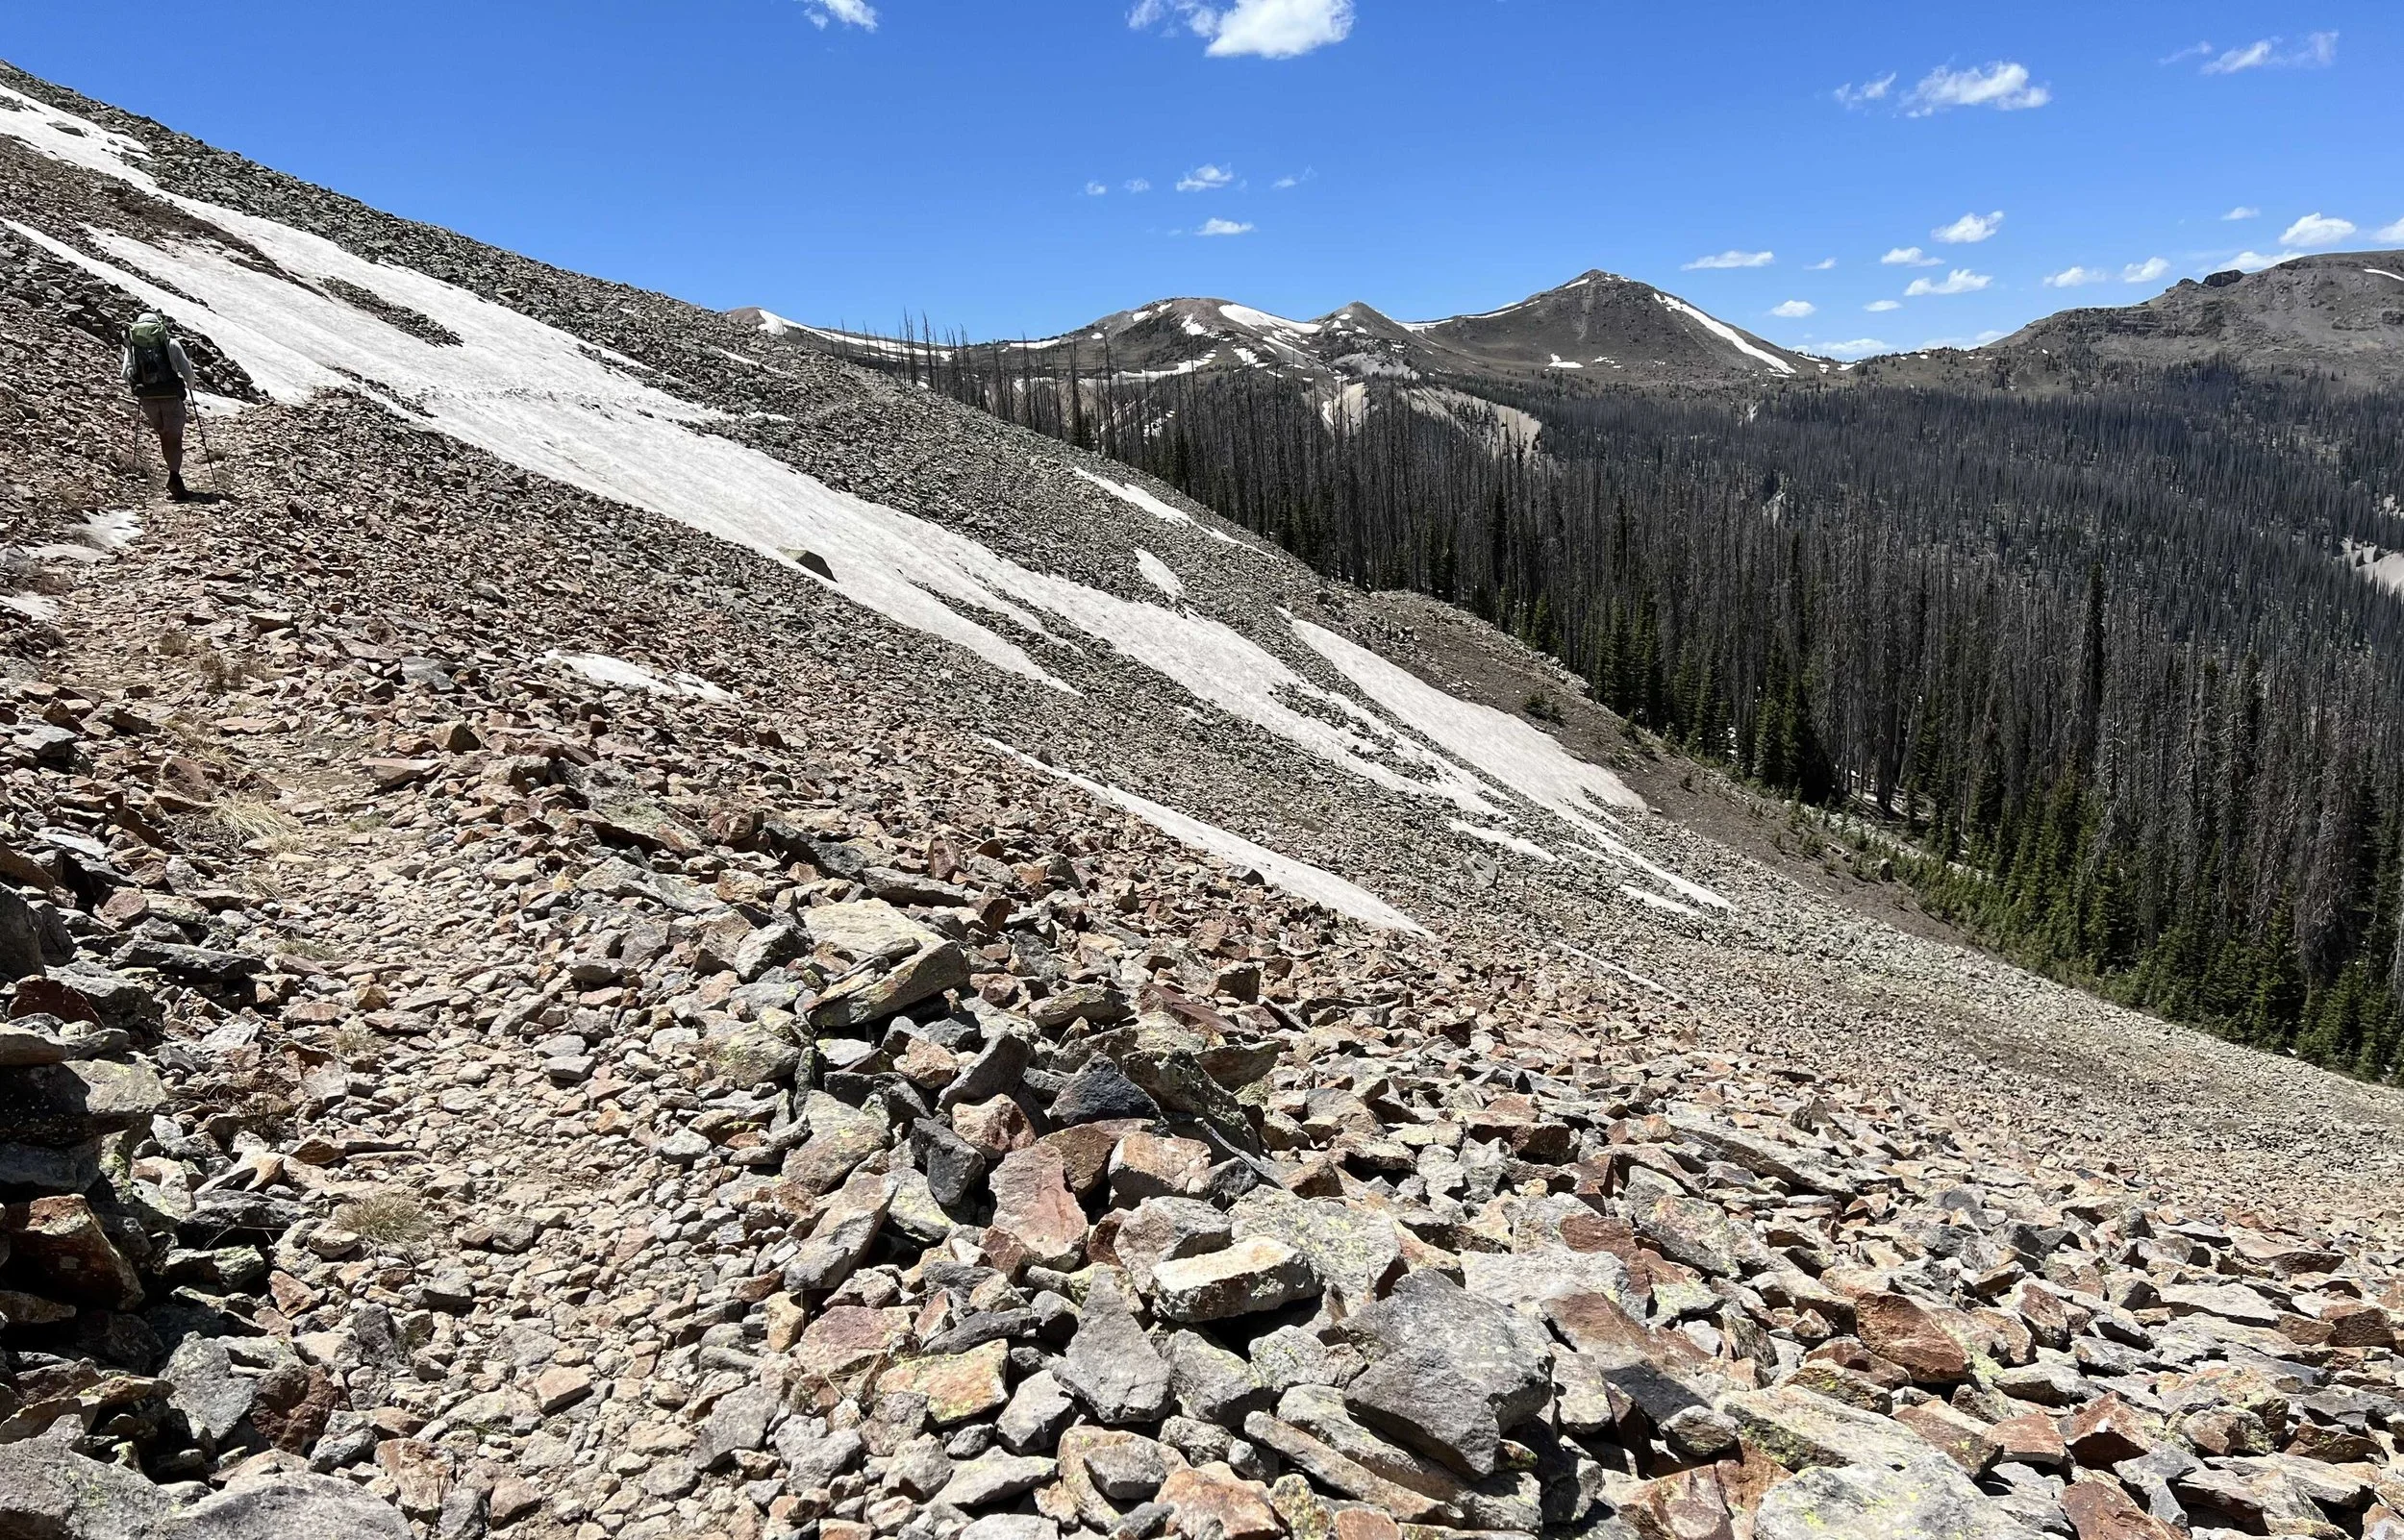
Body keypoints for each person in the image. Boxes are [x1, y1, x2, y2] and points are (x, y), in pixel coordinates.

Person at [120, 312, 196, 499]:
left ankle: (173, 474)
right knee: (174, 436)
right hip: (170, 395)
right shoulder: (171, 343)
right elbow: (188, 372)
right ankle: (175, 476)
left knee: (163, 434)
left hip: (147, 397)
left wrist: (136, 385)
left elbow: (125, 373)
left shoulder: (133, 346)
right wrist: (190, 386)